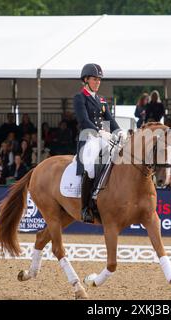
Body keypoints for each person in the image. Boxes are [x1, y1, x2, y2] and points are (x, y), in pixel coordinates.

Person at [73, 63, 122, 223]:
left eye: (99, 79)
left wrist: (119, 131)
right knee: (91, 167)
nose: (98, 82)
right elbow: (83, 120)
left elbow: (110, 119)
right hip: (89, 137)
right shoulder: (80, 97)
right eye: (95, 79)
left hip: (103, 137)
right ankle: (86, 207)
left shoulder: (101, 100)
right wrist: (99, 132)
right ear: (86, 80)